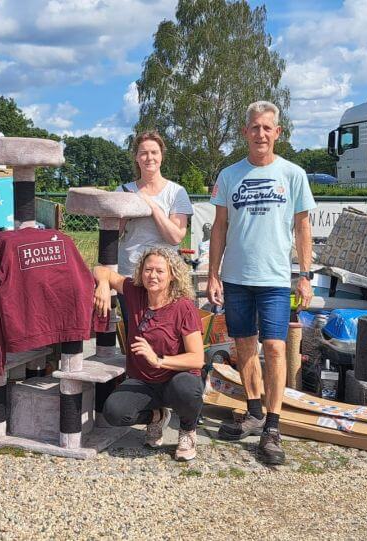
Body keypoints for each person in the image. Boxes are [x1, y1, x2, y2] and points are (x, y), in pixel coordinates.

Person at [206, 101, 316, 465]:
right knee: (245, 347)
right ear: (245, 132)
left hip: (273, 279)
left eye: (267, 128)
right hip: (237, 277)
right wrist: (212, 273)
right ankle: (253, 412)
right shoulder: (229, 176)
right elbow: (219, 227)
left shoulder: (293, 175)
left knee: (274, 347)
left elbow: (302, 227)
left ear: (278, 133)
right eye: (254, 127)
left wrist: (304, 275)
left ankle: (273, 426)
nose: (261, 134)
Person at [93, 247, 204, 461]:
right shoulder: (135, 292)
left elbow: (197, 358)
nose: (152, 275)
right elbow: (100, 270)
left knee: (187, 389)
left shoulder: (183, 307)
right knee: (114, 413)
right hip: (144, 381)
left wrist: (158, 360)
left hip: (175, 378)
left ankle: (187, 431)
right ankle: (157, 415)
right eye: (148, 270)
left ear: (172, 275)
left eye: (160, 271)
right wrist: (104, 285)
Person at [115, 131, 194, 278]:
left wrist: (151, 206)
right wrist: (127, 210)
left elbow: (175, 237)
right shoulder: (122, 191)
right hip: (130, 272)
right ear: (136, 158)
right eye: (143, 153)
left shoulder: (177, 192)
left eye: (154, 152)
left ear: (161, 156)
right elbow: (113, 234)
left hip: (165, 274)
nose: (149, 157)